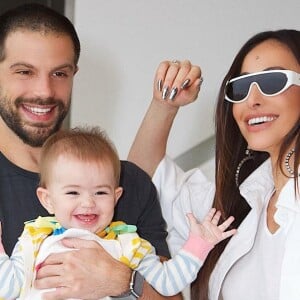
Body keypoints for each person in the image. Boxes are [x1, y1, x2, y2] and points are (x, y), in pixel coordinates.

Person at [0, 3, 183, 299]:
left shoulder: (129, 183)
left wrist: (124, 282)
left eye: (60, 73)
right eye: (24, 71)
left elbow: (171, 295)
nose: (44, 90)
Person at [128, 29, 300, 300]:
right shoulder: (237, 202)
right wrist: (165, 105)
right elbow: (139, 183)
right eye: (241, 87)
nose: (252, 100)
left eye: (272, 81)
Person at [0, 126, 236, 299]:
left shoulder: (130, 245)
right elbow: (8, 287)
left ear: (116, 196)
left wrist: (198, 245)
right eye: (73, 193)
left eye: (100, 193)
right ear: (47, 200)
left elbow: (167, 283)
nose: (88, 203)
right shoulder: (33, 241)